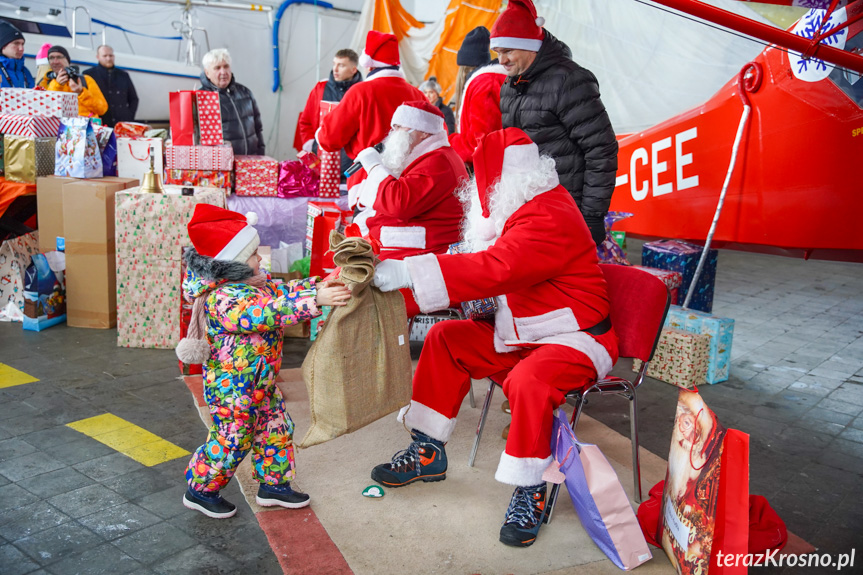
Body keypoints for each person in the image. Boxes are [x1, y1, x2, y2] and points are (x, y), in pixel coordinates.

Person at [369, 128, 619, 548]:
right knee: (447, 338)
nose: (473, 185)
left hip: (575, 339)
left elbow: (497, 268)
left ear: (497, 178)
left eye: (476, 174)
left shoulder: (548, 214)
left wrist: (409, 271)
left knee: (528, 382)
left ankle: (532, 487)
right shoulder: (521, 206)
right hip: (525, 333)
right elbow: (482, 267)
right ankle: (428, 451)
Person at [177, 204, 351, 519]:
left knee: (276, 427)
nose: (261, 258)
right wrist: (315, 303)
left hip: (261, 381)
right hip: (233, 389)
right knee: (233, 438)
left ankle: (274, 485)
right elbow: (268, 312)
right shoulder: (224, 299)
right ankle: (200, 489)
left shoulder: (255, 285)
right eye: (254, 254)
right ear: (232, 263)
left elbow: (282, 293)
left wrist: (317, 286)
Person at [492, 0, 618, 246]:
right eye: (497, 52)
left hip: (567, 210)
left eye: (508, 51)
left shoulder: (569, 80)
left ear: (531, 47)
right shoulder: (509, 86)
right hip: (526, 210)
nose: (502, 60)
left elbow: (601, 149)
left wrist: (591, 216)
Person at [353, 100, 467, 316]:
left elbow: (400, 202)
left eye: (400, 127)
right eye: (393, 126)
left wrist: (375, 166)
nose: (393, 132)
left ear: (423, 133)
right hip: (406, 252)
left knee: (348, 294)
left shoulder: (439, 161)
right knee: (337, 282)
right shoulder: (427, 157)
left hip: (421, 263)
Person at [317, 30, 424, 196]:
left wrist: (319, 134)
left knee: (365, 222)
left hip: (368, 182)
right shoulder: (417, 94)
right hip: (410, 183)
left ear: (368, 64)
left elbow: (329, 138)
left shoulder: (360, 92)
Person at [294, 49, 363, 182]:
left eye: (341, 65)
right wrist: (310, 144)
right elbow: (305, 121)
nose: (335, 69)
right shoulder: (320, 88)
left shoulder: (363, 91)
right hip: (321, 162)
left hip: (351, 166)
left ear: (353, 69)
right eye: (334, 64)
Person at [448, 26, 507, 166]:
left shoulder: (485, 86)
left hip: (489, 172)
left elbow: (480, 144)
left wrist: (449, 143)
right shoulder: (492, 81)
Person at [199, 48, 265, 156]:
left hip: (250, 162)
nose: (223, 72)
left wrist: (261, 156)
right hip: (222, 168)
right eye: (217, 68)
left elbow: (258, 129)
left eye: (226, 66)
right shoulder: (201, 98)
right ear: (207, 73)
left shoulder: (246, 93)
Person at [39, 46, 108, 118]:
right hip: (58, 127)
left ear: (67, 59)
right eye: (51, 58)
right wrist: (57, 85)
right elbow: (44, 109)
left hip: (85, 128)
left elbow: (102, 109)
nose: (55, 61)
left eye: (59, 57)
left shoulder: (85, 79)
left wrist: (81, 92)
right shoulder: (45, 82)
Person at [84, 45, 139, 127]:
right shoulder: (89, 75)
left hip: (121, 124)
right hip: (100, 124)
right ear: (98, 57)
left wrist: (129, 117)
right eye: (105, 56)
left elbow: (134, 99)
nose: (108, 58)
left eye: (111, 55)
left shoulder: (123, 75)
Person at [0, 20, 33, 88]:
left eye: (22, 44)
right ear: (3, 46)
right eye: (16, 43)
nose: (21, 48)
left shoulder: (25, 71)